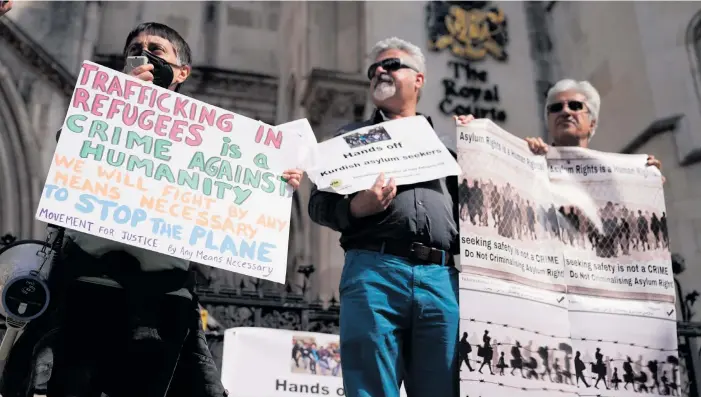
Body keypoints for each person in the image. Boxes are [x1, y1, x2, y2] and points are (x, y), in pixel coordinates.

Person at [2, 22, 303, 397]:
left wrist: (277, 180)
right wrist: (122, 97)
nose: (143, 54)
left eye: (156, 50)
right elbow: (71, 148)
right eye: (135, 49)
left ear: (181, 72)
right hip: (89, 288)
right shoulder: (100, 105)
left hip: (163, 302)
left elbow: (237, 193)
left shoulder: (212, 136)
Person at [308, 36, 470, 397]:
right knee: (371, 388)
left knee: (443, 388)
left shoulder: (447, 147)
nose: (380, 71)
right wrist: (355, 207)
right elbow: (317, 204)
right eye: (373, 70)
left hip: (442, 277)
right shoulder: (348, 139)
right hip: (374, 272)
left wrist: (479, 149)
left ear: (419, 80)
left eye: (392, 64)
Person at [521, 79, 662, 173]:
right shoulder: (532, 162)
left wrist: (647, 182)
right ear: (548, 122)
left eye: (575, 106)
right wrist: (527, 159)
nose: (565, 111)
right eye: (556, 107)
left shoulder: (613, 171)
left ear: (592, 123)